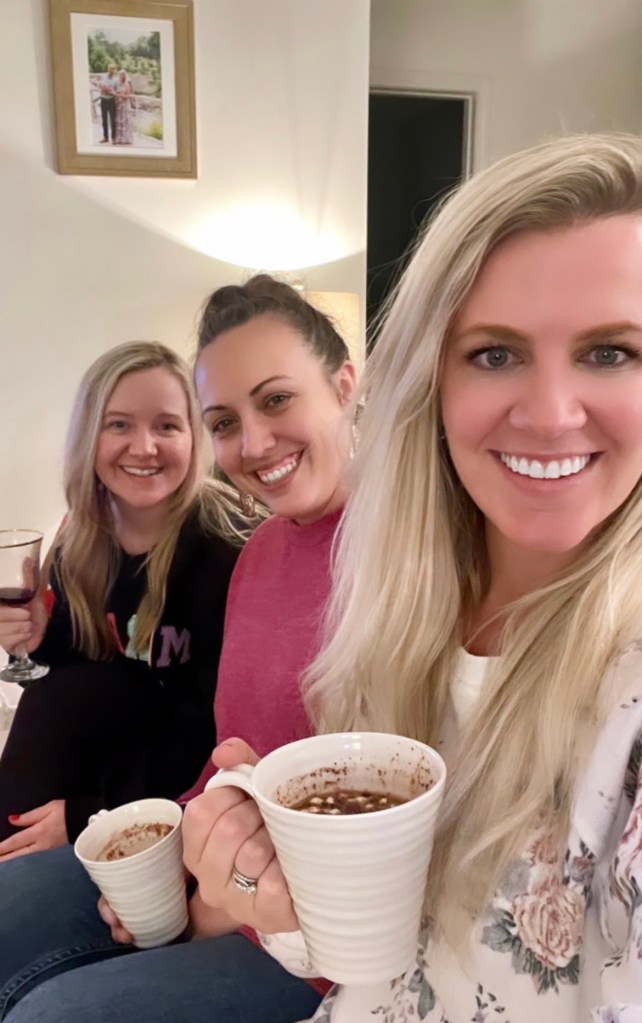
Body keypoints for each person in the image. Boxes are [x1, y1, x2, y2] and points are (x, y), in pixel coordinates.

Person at [182, 133, 642, 1022]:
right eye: (495, 353)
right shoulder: (397, 601)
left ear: (346, 386)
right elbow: (373, 954)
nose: (551, 414)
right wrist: (266, 886)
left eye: (611, 351)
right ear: (432, 382)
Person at [0, 277, 357, 1023]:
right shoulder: (262, 556)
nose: (253, 444)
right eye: (226, 420)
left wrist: (208, 901)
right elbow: (225, 752)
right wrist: (161, 858)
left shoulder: (377, 554)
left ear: (344, 386)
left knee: (45, 1012)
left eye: (277, 399)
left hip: (302, 925)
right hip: (202, 860)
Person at [0, 340, 244, 857]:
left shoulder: (229, 551)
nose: (144, 447)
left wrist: (90, 814)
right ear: (89, 437)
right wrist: (40, 639)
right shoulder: (79, 538)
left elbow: (215, 731)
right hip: (109, 758)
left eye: (167, 426)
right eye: (119, 425)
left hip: (181, 787)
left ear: (193, 436)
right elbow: (89, 664)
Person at [98, 64, 117, 144]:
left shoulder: (116, 80)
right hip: (103, 100)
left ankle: (113, 138)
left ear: (115, 70)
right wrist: (107, 91)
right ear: (108, 69)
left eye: (113, 69)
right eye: (110, 68)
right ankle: (105, 137)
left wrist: (108, 91)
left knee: (113, 120)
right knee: (104, 119)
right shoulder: (103, 77)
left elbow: (115, 92)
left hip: (112, 101)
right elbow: (101, 87)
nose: (111, 70)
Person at [114, 70, 133, 145]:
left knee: (125, 121)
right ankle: (120, 138)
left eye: (122, 75)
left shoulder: (127, 84)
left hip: (125, 104)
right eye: (120, 75)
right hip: (119, 104)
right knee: (119, 121)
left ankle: (126, 139)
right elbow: (117, 92)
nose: (120, 76)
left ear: (124, 76)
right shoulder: (118, 84)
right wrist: (117, 95)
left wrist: (122, 96)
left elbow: (129, 95)